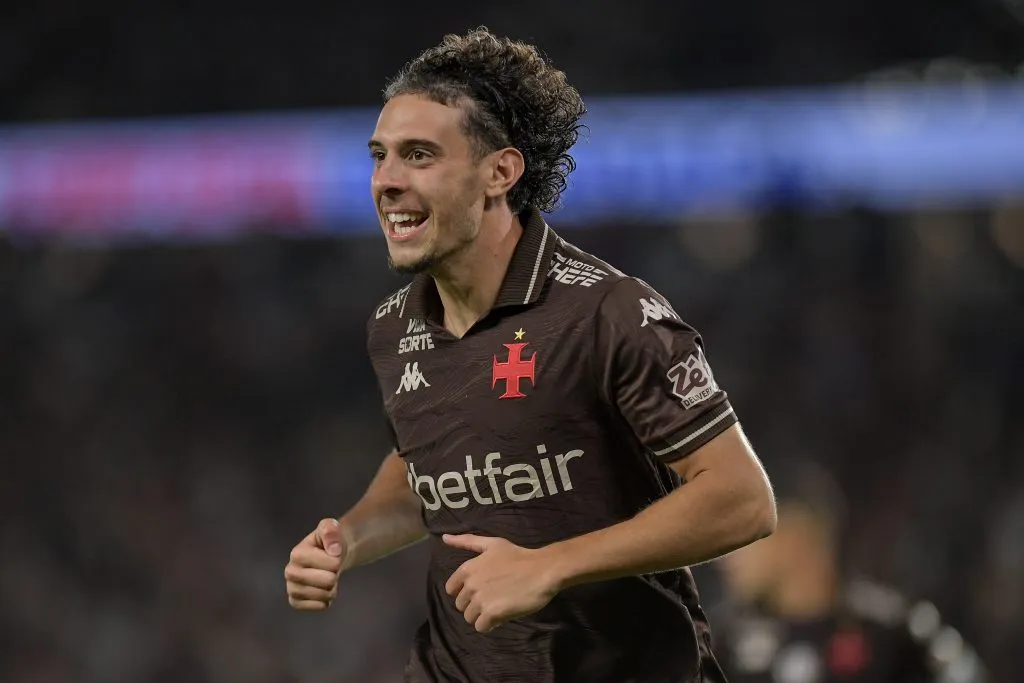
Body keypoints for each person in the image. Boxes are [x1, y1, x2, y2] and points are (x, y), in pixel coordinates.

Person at [284, 27, 777, 683]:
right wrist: (347, 538)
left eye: (419, 156)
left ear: (500, 172)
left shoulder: (607, 314)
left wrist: (550, 564)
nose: (386, 181)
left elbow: (742, 499)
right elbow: (421, 467)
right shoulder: (393, 326)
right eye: (380, 156)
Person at [713, 462, 987, 683]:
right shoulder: (721, 646)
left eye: (741, 531)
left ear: (794, 536)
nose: (725, 554)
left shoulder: (896, 634)